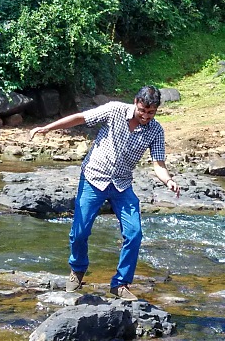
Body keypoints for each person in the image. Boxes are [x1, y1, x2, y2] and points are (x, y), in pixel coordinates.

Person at [29, 85, 180, 301]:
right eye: (142, 111)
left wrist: (169, 181)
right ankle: (77, 270)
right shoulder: (114, 110)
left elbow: (158, 164)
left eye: (151, 112)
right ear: (136, 102)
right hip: (93, 177)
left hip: (122, 185)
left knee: (134, 234)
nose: (146, 116)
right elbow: (81, 118)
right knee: (79, 231)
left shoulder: (156, 130)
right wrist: (47, 128)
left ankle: (120, 284)